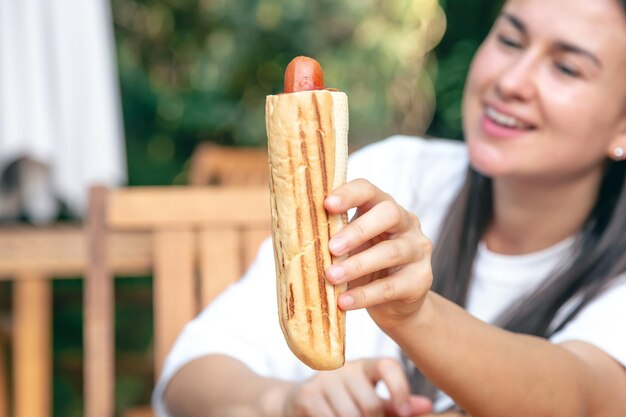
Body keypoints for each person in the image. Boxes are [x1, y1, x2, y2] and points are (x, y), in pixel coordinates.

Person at [154, 0, 626, 415]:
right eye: (509, 40)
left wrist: (413, 315)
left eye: (566, 68)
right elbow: (191, 373)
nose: (512, 81)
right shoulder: (390, 175)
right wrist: (286, 402)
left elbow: (586, 399)